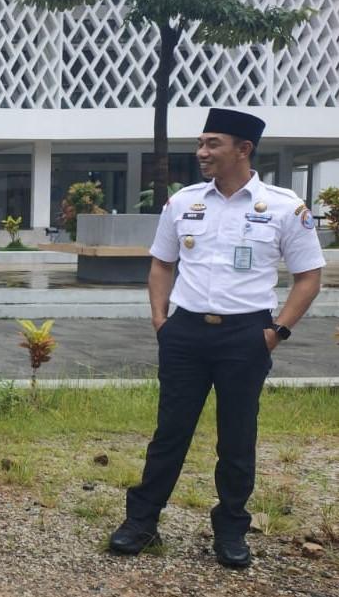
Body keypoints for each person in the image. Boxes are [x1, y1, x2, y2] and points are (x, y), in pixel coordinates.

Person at [109, 108, 324, 568]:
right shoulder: (184, 201)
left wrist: (277, 330)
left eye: (213, 144)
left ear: (243, 150)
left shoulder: (285, 206)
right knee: (169, 433)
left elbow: (309, 276)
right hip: (185, 333)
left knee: (237, 438)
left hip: (247, 335)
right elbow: (161, 264)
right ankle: (141, 523)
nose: (201, 152)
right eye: (201, 144)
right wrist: (160, 321)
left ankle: (230, 531)